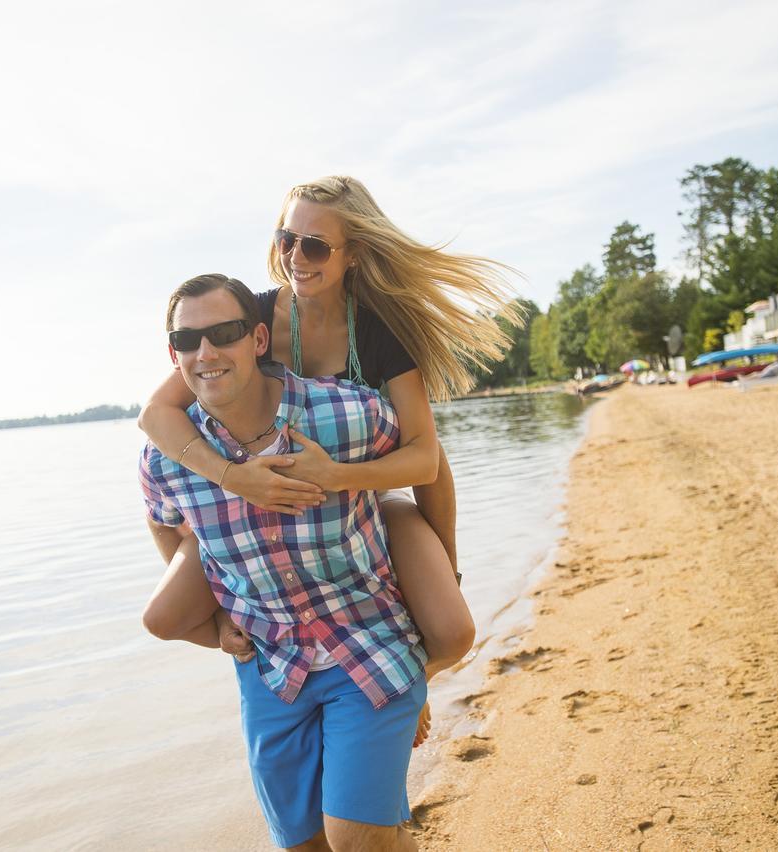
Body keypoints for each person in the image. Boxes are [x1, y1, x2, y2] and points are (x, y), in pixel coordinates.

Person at [139, 176, 518, 746]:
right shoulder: (255, 321)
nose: (295, 256)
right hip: (255, 509)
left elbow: (425, 461)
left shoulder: (379, 331)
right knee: (165, 617)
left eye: (315, 245)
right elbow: (155, 415)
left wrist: (444, 567)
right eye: (286, 238)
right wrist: (234, 478)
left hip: (368, 496)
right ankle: (262, 654)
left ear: (354, 253)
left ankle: (404, 690)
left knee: (450, 631)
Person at [140, 274, 426, 851]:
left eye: (225, 333)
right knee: (303, 846)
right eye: (189, 340)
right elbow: (162, 519)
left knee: (358, 841)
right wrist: (220, 619)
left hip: (368, 645)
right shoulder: (166, 459)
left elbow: (426, 462)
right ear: (174, 356)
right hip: (272, 669)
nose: (207, 352)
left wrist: (445, 575)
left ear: (259, 340)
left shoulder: (347, 416)